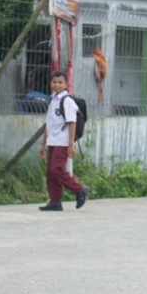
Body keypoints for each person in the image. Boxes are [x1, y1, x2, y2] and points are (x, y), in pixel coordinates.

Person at [38, 71, 89, 212]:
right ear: (50, 83)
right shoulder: (52, 100)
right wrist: (43, 145)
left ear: (66, 85)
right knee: (50, 172)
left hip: (63, 141)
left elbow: (72, 123)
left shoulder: (67, 101)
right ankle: (55, 201)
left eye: (60, 82)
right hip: (52, 141)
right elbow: (49, 125)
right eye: (54, 82)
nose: (57, 85)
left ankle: (79, 189)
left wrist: (71, 144)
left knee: (57, 169)